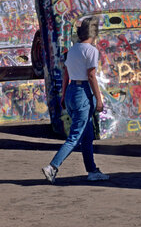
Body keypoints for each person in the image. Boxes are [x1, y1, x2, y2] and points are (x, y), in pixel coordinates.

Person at [42, 16, 109, 184]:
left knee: (87, 135)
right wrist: (99, 100)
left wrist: (64, 95)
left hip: (72, 90)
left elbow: (66, 73)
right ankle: (53, 166)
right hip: (83, 92)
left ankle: (92, 171)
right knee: (75, 136)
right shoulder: (91, 50)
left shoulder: (73, 50)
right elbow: (92, 76)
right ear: (94, 33)